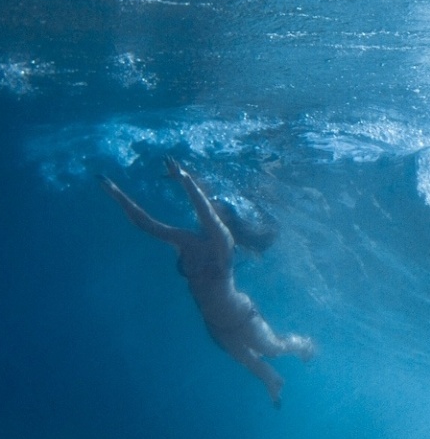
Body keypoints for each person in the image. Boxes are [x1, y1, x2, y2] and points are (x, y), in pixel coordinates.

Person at [101, 158, 315, 407]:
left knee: (273, 349)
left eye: (218, 209)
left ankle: (302, 344)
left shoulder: (224, 243)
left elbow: (207, 215)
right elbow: (148, 225)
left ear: (226, 219)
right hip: (216, 324)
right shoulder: (186, 240)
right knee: (248, 361)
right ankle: (273, 381)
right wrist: (117, 194)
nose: (212, 209)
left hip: (241, 316)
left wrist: (185, 179)